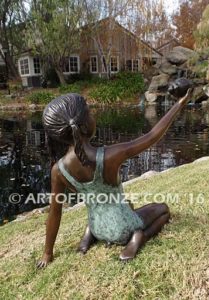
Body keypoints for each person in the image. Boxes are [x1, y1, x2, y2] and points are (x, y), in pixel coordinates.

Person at [37, 89, 192, 268]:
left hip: (97, 227)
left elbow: (55, 212)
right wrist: (179, 104)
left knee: (120, 205)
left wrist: (47, 253)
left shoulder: (58, 170)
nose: (92, 115)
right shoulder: (110, 155)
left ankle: (89, 237)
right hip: (122, 229)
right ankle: (137, 239)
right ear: (85, 125)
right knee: (163, 209)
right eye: (89, 112)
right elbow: (152, 136)